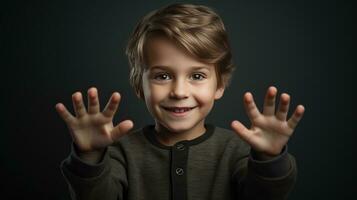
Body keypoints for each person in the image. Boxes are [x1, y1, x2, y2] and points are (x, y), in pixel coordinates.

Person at [56, 3, 305, 200]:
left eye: (197, 76)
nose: (179, 91)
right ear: (138, 85)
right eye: (162, 76)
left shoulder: (238, 151)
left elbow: (265, 195)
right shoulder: (119, 152)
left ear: (219, 85)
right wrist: (89, 155)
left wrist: (269, 158)